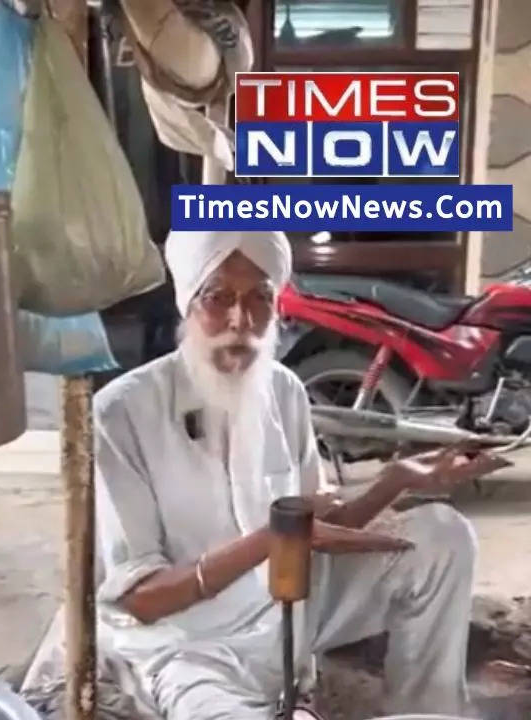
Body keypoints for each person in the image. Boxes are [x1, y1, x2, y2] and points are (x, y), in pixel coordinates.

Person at [29, 230, 508, 719]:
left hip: (291, 609)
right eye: (218, 298)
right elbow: (141, 602)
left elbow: (315, 525)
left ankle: (428, 708)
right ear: (187, 303)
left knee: (441, 536)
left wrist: (398, 479)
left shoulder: (283, 390)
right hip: (190, 648)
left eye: (260, 297)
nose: (242, 319)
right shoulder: (122, 413)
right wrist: (269, 540)